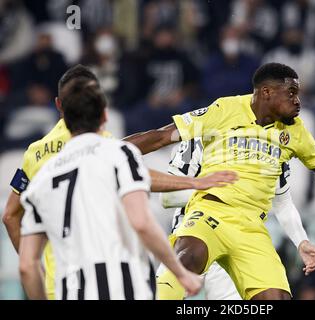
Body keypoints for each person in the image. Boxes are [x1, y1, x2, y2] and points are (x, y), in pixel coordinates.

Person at [121, 63, 315, 300]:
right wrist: (107, 151)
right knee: (187, 258)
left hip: (252, 229)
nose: (299, 101)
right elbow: (161, 136)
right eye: (292, 93)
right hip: (210, 214)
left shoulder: (295, 132)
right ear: (267, 93)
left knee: (276, 298)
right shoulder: (224, 109)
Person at [2, 64, 236, 299]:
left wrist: (42, 285)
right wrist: (193, 183)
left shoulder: (40, 162)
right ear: (103, 111)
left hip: (61, 286)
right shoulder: (109, 148)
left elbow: (12, 221)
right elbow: (141, 213)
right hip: (116, 284)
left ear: (58, 105)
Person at [156, 138, 315, 299]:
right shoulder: (199, 138)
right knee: (163, 291)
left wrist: (301, 241)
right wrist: (222, 192)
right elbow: (168, 197)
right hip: (193, 240)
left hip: (235, 249)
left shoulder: (269, 146)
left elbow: (282, 201)